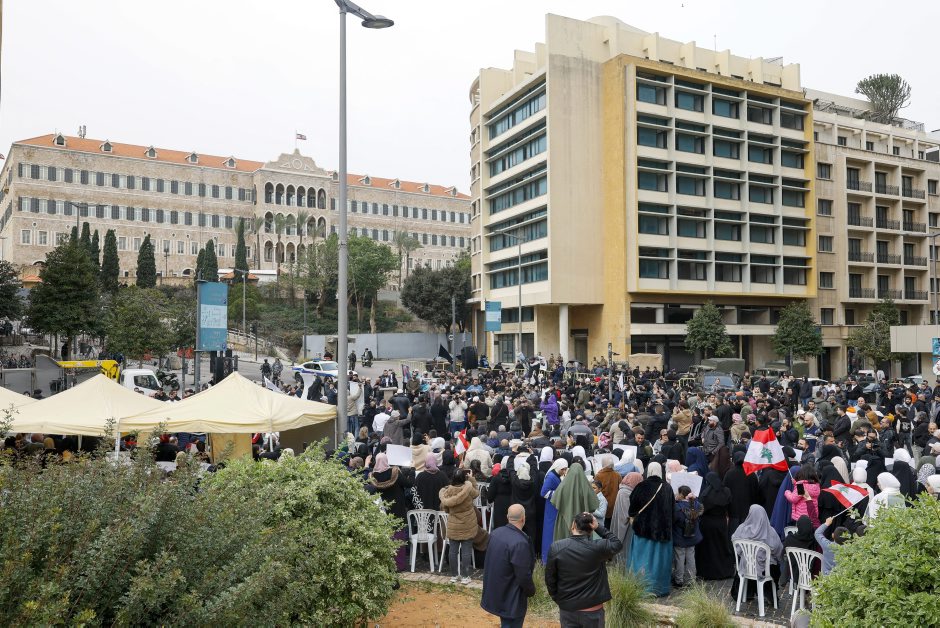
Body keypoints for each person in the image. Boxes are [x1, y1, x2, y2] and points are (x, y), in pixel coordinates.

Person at [545, 512, 623, 628]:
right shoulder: (599, 547)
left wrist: (558, 598)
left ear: (573, 525)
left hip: (568, 608)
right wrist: (598, 527)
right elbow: (617, 544)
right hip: (593, 609)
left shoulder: (557, 547)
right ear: (591, 529)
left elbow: (550, 578)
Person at [481, 504, 537, 628]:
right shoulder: (520, 543)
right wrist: (531, 590)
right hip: (512, 597)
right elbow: (523, 575)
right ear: (523, 518)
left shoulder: (495, 533)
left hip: (498, 591)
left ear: (507, 517)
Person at [627, 462, 674, 597]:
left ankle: (640, 586)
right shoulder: (667, 488)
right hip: (662, 532)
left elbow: (632, 509)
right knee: (659, 562)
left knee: (641, 559)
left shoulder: (641, 486)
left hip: (642, 530)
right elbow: (672, 511)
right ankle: (658, 588)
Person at [368, 452, 415, 572]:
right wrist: (412, 471)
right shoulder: (395, 473)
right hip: (398, 509)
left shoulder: (372, 476)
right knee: (398, 536)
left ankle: (385, 564)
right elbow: (409, 484)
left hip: (382, 510)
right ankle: (398, 565)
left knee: (384, 537)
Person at [730, 505, 784, 599]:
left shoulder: (741, 528)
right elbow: (779, 551)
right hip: (765, 570)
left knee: (745, 559)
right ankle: (769, 594)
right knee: (774, 565)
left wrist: (747, 553)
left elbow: (735, 541)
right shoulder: (770, 532)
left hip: (746, 566)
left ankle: (747, 592)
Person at [439, 470, 481, 584]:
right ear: (464, 478)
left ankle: (454, 576)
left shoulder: (448, 491)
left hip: (453, 525)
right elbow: (476, 493)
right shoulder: (468, 488)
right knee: (466, 551)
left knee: (453, 551)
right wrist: (472, 479)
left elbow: (445, 508)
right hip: (468, 523)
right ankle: (465, 577)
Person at [696, 471, 735, 580]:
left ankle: (707, 572)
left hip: (707, 523)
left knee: (708, 548)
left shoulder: (706, 493)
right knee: (721, 546)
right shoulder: (726, 491)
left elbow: (701, 509)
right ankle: (724, 571)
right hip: (721, 522)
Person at [551, 463, 599, 546]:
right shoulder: (587, 487)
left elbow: (555, 501)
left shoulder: (563, 486)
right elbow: (594, 505)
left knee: (564, 544)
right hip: (583, 522)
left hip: (564, 520)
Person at [609, 472, 643, 566]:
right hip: (625, 525)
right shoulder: (626, 493)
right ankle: (622, 566)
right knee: (624, 545)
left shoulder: (625, 490)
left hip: (622, 522)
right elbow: (627, 513)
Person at [672, 486, 703, 588]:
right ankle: (691, 580)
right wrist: (695, 499)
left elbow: (674, 520)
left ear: (681, 494)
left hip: (679, 536)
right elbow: (701, 509)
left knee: (679, 558)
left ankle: (679, 580)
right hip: (692, 536)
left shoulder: (677, 507)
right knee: (691, 557)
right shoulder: (696, 505)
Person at [540, 458, 568, 562]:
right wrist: (559, 494)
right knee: (550, 532)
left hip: (554, 507)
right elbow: (543, 493)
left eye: (565, 469)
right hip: (551, 508)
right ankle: (546, 559)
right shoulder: (551, 477)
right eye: (563, 469)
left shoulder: (555, 475)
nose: (564, 471)